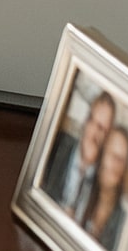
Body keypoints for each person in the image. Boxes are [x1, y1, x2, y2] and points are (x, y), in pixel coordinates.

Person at [40, 89, 115, 219]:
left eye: (103, 129)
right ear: (86, 121)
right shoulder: (56, 146)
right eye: (94, 122)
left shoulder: (103, 183)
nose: (96, 133)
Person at [81, 124, 128, 251]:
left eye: (121, 159)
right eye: (113, 155)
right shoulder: (82, 190)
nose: (116, 164)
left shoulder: (122, 220)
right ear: (102, 154)